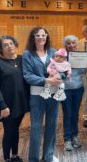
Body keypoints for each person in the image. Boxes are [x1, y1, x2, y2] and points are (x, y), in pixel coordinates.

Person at [0, 35, 29, 162]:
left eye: (11, 43)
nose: (9, 46)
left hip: (20, 103)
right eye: (5, 45)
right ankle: (6, 158)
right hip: (7, 105)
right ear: (1, 48)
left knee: (15, 129)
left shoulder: (21, 59)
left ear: (15, 44)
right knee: (9, 131)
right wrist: (2, 105)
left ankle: (15, 155)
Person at [22, 27, 62, 162]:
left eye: (43, 35)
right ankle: (33, 158)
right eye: (38, 35)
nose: (41, 38)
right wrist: (46, 80)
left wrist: (58, 75)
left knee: (52, 125)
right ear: (33, 37)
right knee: (35, 128)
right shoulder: (28, 54)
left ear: (47, 37)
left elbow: (63, 70)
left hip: (53, 95)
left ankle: (48, 156)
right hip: (37, 96)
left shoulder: (53, 52)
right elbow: (27, 76)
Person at [61, 35, 84, 151]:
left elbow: (82, 71)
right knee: (67, 114)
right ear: (65, 45)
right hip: (66, 89)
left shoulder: (81, 56)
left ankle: (75, 136)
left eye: (74, 43)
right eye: (69, 43)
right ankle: (67, 139)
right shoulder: (61, 56)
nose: (72, 45)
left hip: (79, 88)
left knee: (75, 113)